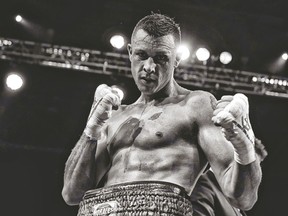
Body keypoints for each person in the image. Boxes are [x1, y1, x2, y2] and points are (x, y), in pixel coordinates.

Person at [62, 13, 262, 216]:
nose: (149, 67)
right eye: (141, 55)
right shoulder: (114, 116)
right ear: (130, 52)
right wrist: (91, 129)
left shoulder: (196, 105)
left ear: (177, 60)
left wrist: (244, 148)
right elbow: (72, 194)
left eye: (160, 58)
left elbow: (243, 198)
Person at [190, 138, 268, 216]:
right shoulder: (204, 184)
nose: (255, 175)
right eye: (250, 168)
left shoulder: (238, 205)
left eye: (257, 168)